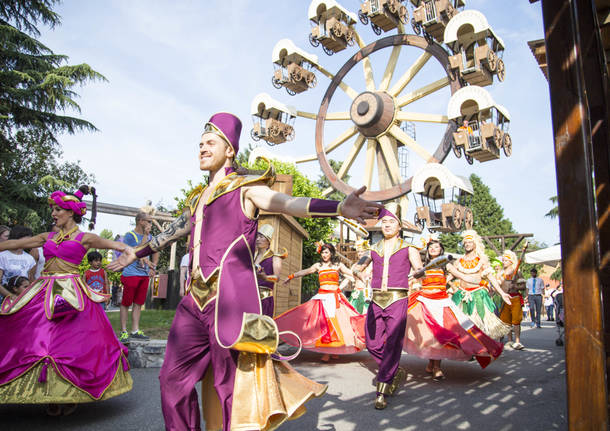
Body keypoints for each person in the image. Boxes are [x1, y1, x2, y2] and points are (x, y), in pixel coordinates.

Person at [108, 112, 381, 430]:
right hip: (193, 300)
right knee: (171, 378)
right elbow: (170, 234)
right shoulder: (197, 201)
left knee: (231, 388)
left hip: (228, 301)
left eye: (210, 142)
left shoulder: (246, 189)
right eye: (199, 143)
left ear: (230, 150)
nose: (202, 148)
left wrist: (336, 207)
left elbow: (286, 202)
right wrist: (135, 253)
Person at [0, 186, 132, 415]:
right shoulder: (47, 237)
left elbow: (120, 246)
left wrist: (128, 254)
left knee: (72, 342)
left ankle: (72, 391)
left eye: (57, 210)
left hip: (72, 293)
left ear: (70, 213)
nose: (53, 214)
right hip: (44, 289)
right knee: (40, 338)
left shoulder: (86, 238)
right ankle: (49, 391)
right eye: (53, 210)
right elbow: (14, 244)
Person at [352, 203, 423, 410]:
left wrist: (419, 272)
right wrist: (360, 272)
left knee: (392, 343)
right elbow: (358, 266)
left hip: (397, 299)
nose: (387, 225)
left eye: (392, 221)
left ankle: (382, 391)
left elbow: (420, 269)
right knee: (372, 343)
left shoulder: (409, 248)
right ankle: (393, 368)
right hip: (376, 300)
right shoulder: (372, 249)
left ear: (399, 226)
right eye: (384, 222)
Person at [404, 235, 504, 379]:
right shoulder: (421, 264)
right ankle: (432, 362)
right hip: (424, 301)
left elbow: (462, 276)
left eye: (436, 246)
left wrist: (478, 281)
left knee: (442, 334)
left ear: (441, 250)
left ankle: (436, 366)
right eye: (431, 246)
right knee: (429, 335)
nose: (433, 249)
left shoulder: (446, 265)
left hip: (441, 302)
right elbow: (414, 277)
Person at [276, 242, 365, 361]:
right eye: (322, 252)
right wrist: (291, 276)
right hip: (322, 298)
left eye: (326, 252)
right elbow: (305, 271)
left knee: (337, 323)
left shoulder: (338, 265)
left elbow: (350, 273)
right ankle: (328, 351)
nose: (324, 254)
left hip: (335, 298)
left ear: (331, 253)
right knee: (324, 324)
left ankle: (335, 350)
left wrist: (362, 276)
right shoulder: (318, 265)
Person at [449, 230, 511, 339]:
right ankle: (468, 349)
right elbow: (449, 277)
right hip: (462, 296)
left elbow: (491, 277)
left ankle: (479, 347)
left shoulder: (481, 260)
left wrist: (502, 293)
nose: (467, 244)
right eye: (466, 242)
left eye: (470, 242)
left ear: (475, 244)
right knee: (462, 324)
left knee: (478, 325)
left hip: (477, 295)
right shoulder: (459, 261)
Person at [118, 212, 159, 342]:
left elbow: (155, 250)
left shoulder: (151, 236)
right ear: (140, 221)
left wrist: (153, 267)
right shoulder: (130, 236)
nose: (151, 224)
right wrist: (146, 236)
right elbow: (138, 251)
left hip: (144, 274)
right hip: (131, 274)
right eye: (148, 221)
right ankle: (124, 331)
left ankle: (135, 330)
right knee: (126, 303)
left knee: (138, 303)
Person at [497, 250, 527, 350]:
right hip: (505, 299)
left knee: (516, 321)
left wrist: (515, 285)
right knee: (506, 321)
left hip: (515, 298)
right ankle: (509, 340)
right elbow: (498, 286)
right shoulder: (501, 273)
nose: (503, 262)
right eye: (503, 260)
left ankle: (517, 341)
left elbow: (523, 286)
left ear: (510, 261)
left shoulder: (517, 272)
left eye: (505, 260)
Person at [254, 224, 285, 318]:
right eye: (257, 236)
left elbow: (277, 278)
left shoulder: (275, 258)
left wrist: (265, 277)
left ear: (268, 240)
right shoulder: (252, 256)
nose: (258, 239)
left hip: (265, 298)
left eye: (261, 236)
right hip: (249, 296)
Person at [0, 225, 36, 301]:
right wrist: (11, 296)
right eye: (27, 239)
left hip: (23, 300)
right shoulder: (2, 256)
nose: (30, 242)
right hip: (4, 299)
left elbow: (31, 281)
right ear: (17, 238)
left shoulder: (30, 259)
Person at [348, 239, 372, 314]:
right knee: (353, 315)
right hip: (356, 293)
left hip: (367, 293)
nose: (360, 253)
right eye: (358, 251)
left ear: (366, 252)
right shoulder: (354, 266)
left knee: (366, 315)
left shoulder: (371, 265)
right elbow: (350, 278)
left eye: (362, 251)